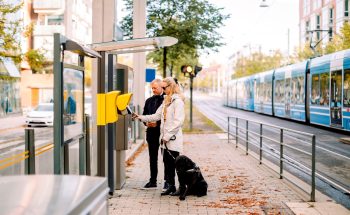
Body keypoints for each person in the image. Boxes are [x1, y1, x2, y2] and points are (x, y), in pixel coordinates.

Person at [133, 77, 185, 195]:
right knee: (167, 162)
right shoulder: (166, 101)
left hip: (171, 139)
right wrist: (140, 117)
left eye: (163, 87)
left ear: (170, 87)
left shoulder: (178, 102)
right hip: (164, 139)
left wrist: (166, 136)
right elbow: (155, 116)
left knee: (174, 164)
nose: (162, 89)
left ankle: (180, 187)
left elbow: (178, 122)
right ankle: (170, 186)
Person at [142, 79, 164, 189]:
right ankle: (153, 181)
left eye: (155, 88)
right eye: (152, 88)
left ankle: (168, 181)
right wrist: (147, 123)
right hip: (151, 133)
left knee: (166, 159)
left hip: (163, 133)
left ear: (161, 87)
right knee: (153, 158)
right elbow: (144, 115)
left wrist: (157, 123)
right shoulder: (149, 101)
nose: (153, 90)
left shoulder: (166, 100)